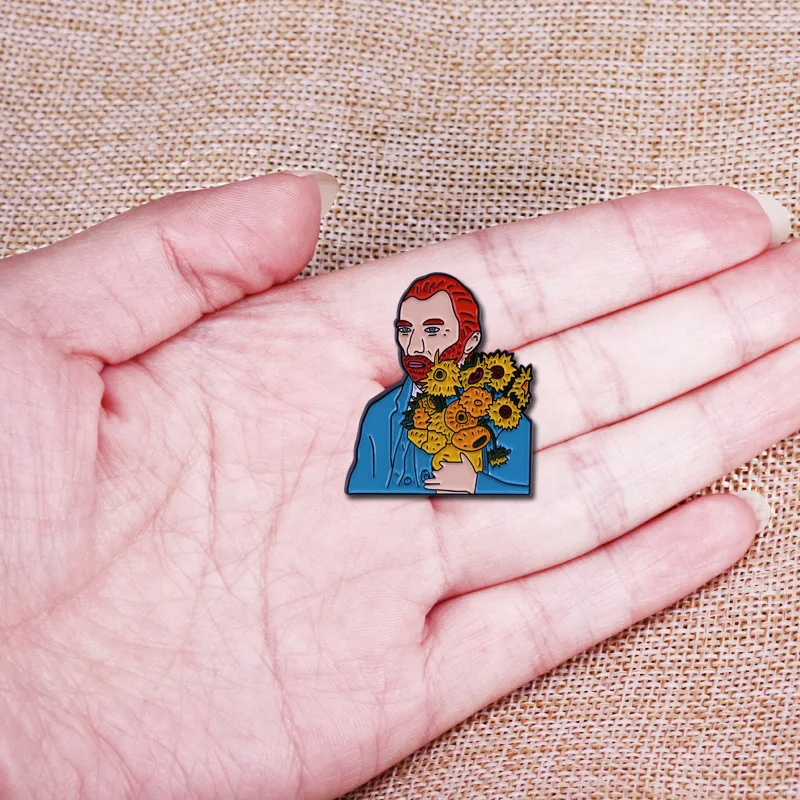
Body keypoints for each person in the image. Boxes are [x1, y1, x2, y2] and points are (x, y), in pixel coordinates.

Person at [0, 171, 790, 799]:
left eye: (432, 331)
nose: (416, 343)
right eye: (411, 331)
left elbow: (467, 469)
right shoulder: (382, 419)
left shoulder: (460, 415)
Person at [346, 272, 533, 494]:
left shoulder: (502, 416)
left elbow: (526, 491)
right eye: (405, 330)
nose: (413, 347)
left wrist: (475, 484)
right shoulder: (381, 413)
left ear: (470, 341)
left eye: (432, 330)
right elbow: (361, 490)